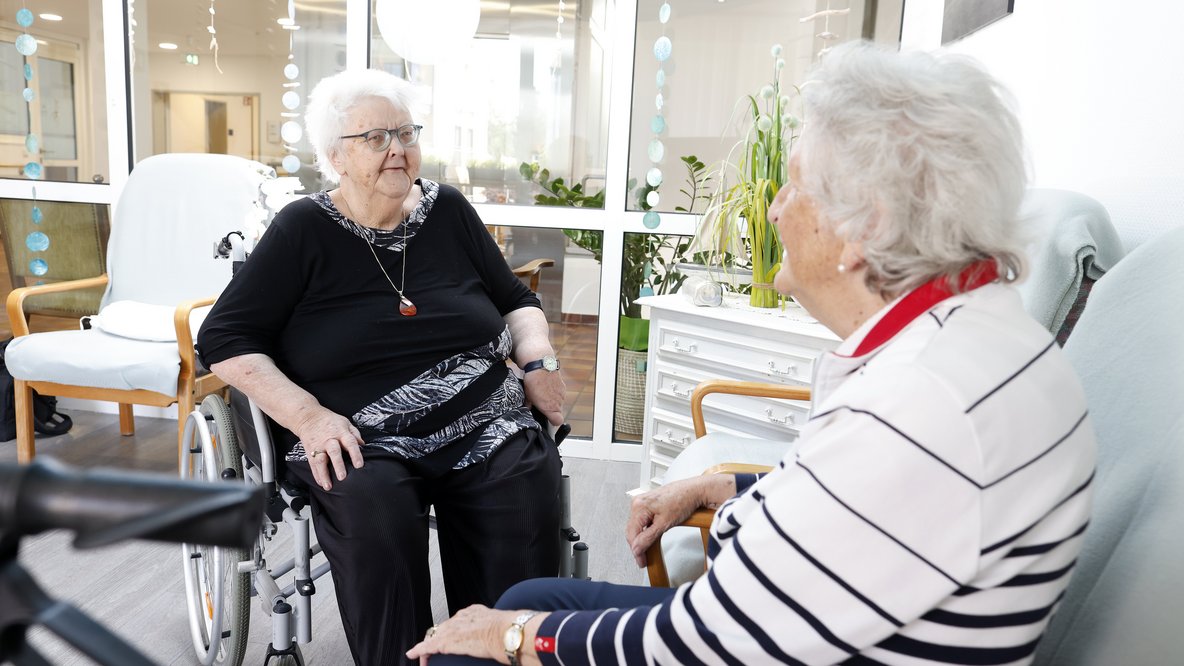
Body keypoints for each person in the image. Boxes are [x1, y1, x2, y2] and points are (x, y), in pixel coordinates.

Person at [407, 41, 1097, 666]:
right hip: (830, 626)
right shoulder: (980, 332)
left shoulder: (920, 401)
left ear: (867, 225)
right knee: (533, 591)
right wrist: (718, 487)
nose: (773, 209)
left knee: (473, 649)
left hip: (757, 644)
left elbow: (700, 643)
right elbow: (866, 503)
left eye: (796, 185)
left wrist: (511, 639)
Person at [196, 68, 566, 666]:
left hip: (484, 419)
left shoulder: (447, 210)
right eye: (375, 138)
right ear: (335, 158)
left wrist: (540, 360)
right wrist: (309, 417)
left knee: (523, 494)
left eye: (405, 133)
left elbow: (516, 300)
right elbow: (223, 338)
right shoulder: (303, 228)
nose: (396, 148)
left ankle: (501, 651)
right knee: (377, 517)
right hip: (359, 436)